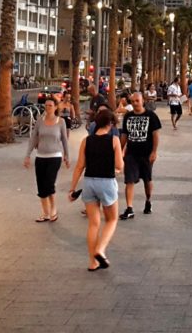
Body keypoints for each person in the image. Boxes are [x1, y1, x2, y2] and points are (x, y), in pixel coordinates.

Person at [68, 107, 124, 271]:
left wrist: (72, 189)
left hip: (89, 183)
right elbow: (120, 165)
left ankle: (93, 262)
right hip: (106, 182)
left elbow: (79, 166)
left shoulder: (87, 140)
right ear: (111, 124)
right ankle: (101, 249)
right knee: (112, 219)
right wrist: (117, 169)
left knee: (93, 224)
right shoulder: (114, 140)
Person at [24, 97, 71, 222]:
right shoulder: (40, 121)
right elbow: (34, 138)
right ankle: (45, 213)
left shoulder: (61, 121)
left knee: (49, 184)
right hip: (40, 157)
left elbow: (64, 140)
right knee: (41, 186)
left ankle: (53, 209)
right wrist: (28, 155)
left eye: (50, 105)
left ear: (55, 107)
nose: (48, 107)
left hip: (55, 157)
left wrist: (67, 156)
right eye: (46, 105)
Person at [119, 91, 161, 219]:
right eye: (133, 101)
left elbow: (155, 135)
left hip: (146, 154)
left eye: (137, 101)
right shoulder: (128, 116)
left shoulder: (151, 116)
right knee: (129, 180)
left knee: (147, 180)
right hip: (131, 153)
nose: (135, 103)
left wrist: (154, 152)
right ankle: (129, 208)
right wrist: (119, 150)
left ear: (143, 101)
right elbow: (124, 135)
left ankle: (148, 201)